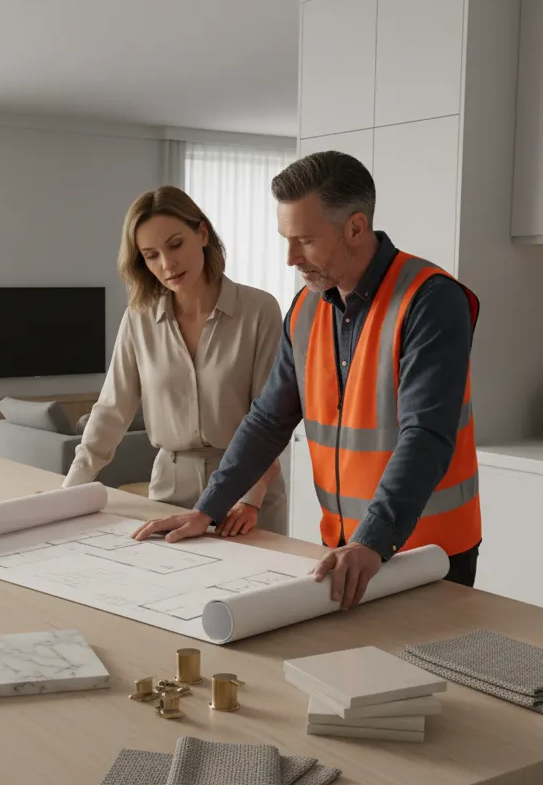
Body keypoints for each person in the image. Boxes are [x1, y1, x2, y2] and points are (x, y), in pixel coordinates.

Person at [133, 151, 481, 606]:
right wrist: (207, 509)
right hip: (345, 549)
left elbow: (426, 435)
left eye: (305, 241)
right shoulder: (305, 308)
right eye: (286, 239)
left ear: (356, 227)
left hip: (430, 554)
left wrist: (373, 540)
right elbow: (267, 421)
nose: (290, 258)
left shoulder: (431, 300)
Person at [63, 186, 286, 535]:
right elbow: (111, 411)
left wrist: (252, 498)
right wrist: (69, 492)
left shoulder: (259, 311)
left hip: (247, 490)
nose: (167, 264)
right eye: (151, 255)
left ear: (202, 233)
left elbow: (271, 418)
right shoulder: (139, 319)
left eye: (175, 245)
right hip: (169, 487)